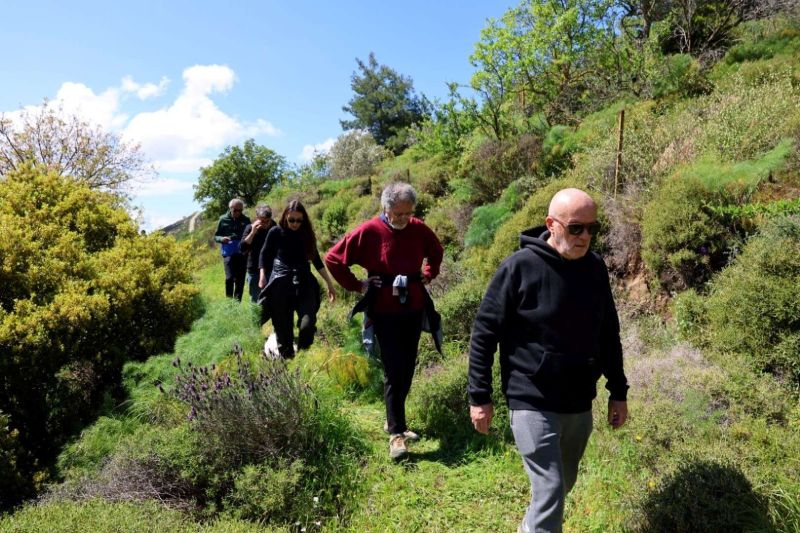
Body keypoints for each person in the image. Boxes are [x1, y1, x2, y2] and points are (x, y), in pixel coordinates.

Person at [468, 188, 629, 533]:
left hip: (578, 400)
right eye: (576, 228)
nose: (585, 236)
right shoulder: (519, 267)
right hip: (531, 398)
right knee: (551, 487)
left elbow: (608, 333)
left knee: (561, 484)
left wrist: (618, 390)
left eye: (592, 228)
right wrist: (479, 396)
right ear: (551, 225)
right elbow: (484, 333)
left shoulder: (595, 268)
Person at [325, 182, 444, 460]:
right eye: (398, 214)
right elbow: (333, 259)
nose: (404, 219)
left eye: (408, 213)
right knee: (393, 367)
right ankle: (396, 436)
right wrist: (358, 285)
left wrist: (429, 272)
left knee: (408, 365)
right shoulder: (369, 231)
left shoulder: (418, 228)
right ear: (385, 208)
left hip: (413, 306)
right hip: (384, 309)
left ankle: (394, 420)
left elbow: (436, 251)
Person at [258, 200, 336, 359]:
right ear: (286, 216)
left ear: (304, 220)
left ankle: (302, 357)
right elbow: (264, 255)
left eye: (299, 220)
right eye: (291, 219)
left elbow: (317, 261)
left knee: (307, 325)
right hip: (280, 283)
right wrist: (262, 276)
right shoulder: (275, 232)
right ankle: (289, 362)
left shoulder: (306, 234)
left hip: (304, 282)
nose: (295, 223)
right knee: (283, 332)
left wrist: (330, 284)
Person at [214, 198, 251, 301]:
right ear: (230, 208)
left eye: (240, 210)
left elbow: (251, 235)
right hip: (228, 253)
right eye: (235, 210)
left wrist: (248, 248)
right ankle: (229, 302)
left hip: (242, 253)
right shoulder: (223, 219)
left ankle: (237, 304)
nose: (238, 213)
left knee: (240, 280)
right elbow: (216, 236)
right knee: (229, 278)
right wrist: (222, 239)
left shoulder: (246, 220)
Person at [239, 204, 275, 303]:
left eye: (267, 221)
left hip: (271, 268)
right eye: (262, 221)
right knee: (256, 301)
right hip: (254, 270)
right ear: (257, 218)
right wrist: (253, 233)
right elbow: (242, 248)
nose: (264, 224)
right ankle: (256, 319)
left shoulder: (274, 227)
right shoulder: (250, 228)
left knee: (274, 299)